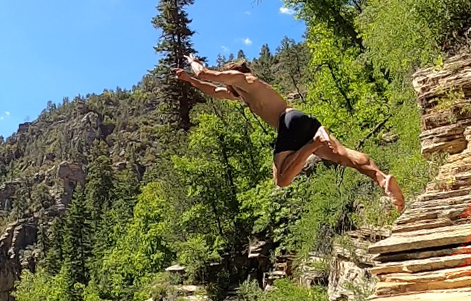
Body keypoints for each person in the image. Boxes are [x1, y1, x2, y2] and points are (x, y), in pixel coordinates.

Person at [172, 55, 405, 212]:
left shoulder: (246, 79)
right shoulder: (243, 92)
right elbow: (213, 90)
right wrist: (187, 80)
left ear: (233, 74)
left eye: (228, 80)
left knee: (282, 180)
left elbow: (206, 75)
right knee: (344, 155)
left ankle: (313, 145)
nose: (228, 87)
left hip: (288, 122)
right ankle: (383, 180)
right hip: (301, 119)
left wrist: (194, 63)